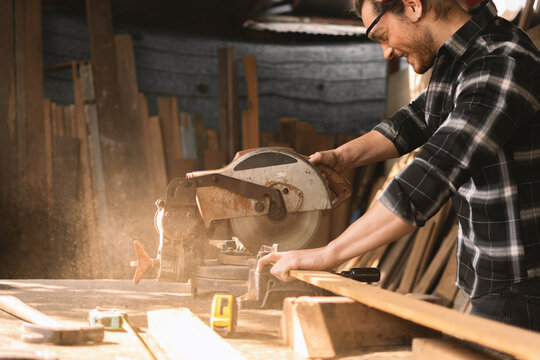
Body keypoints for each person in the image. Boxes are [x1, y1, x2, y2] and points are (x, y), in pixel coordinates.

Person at [257, 0, 540, 331]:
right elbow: (417, 118)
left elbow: (427, 180)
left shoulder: (500, 62)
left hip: (520, 286)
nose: (387, 53)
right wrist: (341, 157)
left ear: (413, 5)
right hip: (492, 277)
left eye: (382, 35)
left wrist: (327, 254)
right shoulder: (463, 53)